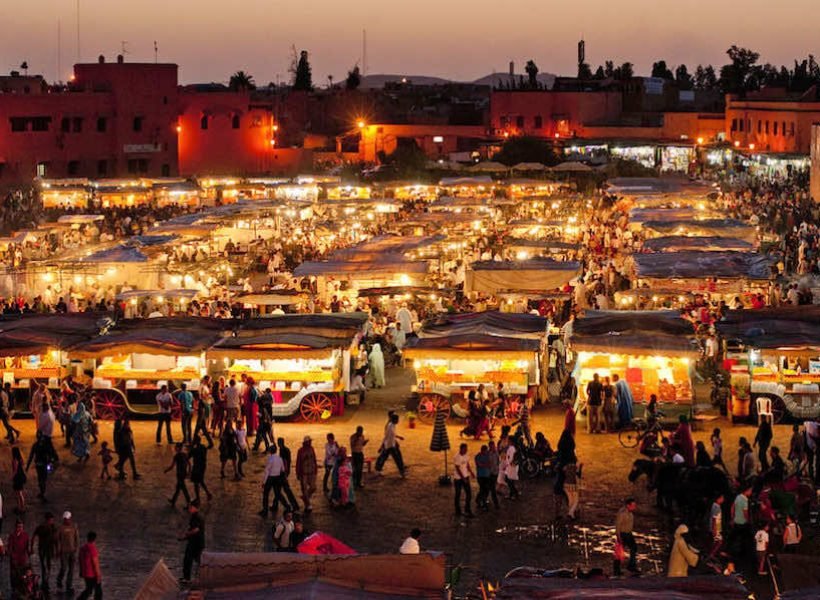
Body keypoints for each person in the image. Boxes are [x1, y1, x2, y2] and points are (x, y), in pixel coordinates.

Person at [260, 446, 290, 518]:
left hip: (270, 477)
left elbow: (267, 471)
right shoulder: (279, 458)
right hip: (277, 478)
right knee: (278, 494)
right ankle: (287, 506)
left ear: (270, 451)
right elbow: (282, 469)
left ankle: (265, 510)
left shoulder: (270, 459)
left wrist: (264, 482)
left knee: (266, 494)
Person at [179, 500, 205, 584]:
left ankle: (188, 578)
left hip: (196, 543)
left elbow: (196, 530)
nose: (189, 509)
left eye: (190, 507)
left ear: (194, 507)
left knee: (190, 559)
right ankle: (188, 578)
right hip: (195, 542)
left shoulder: (197, 517)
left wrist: (186, 535)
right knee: (193, 560)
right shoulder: (195, 516)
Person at [30, 511, 57, 591]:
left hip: (44, 548)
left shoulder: (43, 527)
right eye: (51, 519)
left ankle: (45, 581)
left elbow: (33, 537)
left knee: (44, 566)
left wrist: (32, 547)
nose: (52, 521)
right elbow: (55, 539)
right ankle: (45, 581)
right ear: (48, 519)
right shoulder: (48, 527)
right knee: (46, 566)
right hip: (46, 549)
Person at [375, 412, 405, 477]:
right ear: (394, 420)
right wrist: (382, 446)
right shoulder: (389, 427)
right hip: (390, 446)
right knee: (396, 459)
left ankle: (378, 469)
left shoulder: (392, 425)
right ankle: (402, 472)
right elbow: (386, 437)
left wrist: (398, 437)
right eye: (397, 420)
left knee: (384, 457)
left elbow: (392, 435)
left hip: (390, 445)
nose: (398, 421)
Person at [26, 432, 54, 500]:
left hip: (38, 465)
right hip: (44, 464)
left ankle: (42, 492)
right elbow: (50, 455)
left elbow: (31, 456)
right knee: (43, 479)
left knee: (40, 479)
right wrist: (50, 462)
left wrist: (27, 466)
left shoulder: (35, 445)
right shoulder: (45, 445)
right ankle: (42, 492)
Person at [56, 511, 79, 594]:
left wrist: (76, 548)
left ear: (70, 518)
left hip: (72, 551)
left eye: (67, 519)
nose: (66, 520)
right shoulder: (60, 528)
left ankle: (68, 585)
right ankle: (59, 581)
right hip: (63, 551)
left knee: (71, 570)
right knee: (64, 568)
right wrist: (58, 549)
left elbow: (77, 538)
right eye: (65, 519)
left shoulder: (74, 527)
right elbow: (57, 539)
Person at [615, 498, 639, 575]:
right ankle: (617, 569)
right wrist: (619, 537)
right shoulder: (622, 513)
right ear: (628, 505)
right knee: (619, 552)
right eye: (633, 505)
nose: (634, 507)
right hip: (623, 534)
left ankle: (631, 565)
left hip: (629, 533)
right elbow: (618, 525)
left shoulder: (630, 513)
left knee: (634, 548)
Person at [77, 531, 102, 600]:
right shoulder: (92, 548)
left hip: (85, 573)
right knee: (98, 591)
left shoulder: (82, 548)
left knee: (89, 589)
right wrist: (98, 575)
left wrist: (81, 571)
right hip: (92, 574)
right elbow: (95, 563)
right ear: (94, 539)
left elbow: (80, 560)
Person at [165, 443, 191, 508]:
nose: (175, 448)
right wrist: (189, 472)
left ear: (178, 448)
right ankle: (173, 500)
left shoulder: (176, 456)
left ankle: (189, 502)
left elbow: (172, 466)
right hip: (183, 473)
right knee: (178, 488)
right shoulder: (185, 455)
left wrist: (166, 470)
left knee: (183, 488)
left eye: (176, 447)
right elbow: (189, 464)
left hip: (179, 474)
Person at [277, 437, 300, 513]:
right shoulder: (286, 449)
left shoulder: (283, 450)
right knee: (280, 489)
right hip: (284, 472)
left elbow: (285, 462)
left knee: (283, 490)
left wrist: (284, 472)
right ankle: (276, 504)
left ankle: (291, 505)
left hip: (283, 473)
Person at [296, 436, 318, 513]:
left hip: (311, 472)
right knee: (304, 489)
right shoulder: (300, 451)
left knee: (313, 487)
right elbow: (298, 462)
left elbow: (314, 459)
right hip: (304, 473)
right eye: (309, 441)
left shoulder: (312, 449)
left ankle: (305, 498)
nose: (310, 442)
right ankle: (308, 505)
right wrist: (298, 473)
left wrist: (316, 469)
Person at [8, 519, 30, 593]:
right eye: (18, 527)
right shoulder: (12, 536)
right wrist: (13, 558)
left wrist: (29, 555)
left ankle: (21, 589)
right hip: (14, 560)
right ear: (15, 527)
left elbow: (27, 547)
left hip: (22, 559)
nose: (20, 528)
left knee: (22, 575)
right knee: (14, 576)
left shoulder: (25, 535)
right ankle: (14, 590)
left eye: (21, 527)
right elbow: (10, 548)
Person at [453, 443, 475, 517]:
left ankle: (467, 509)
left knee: (469, 494)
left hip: (465, 476)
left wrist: (471, 472)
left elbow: (467, 464)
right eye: (465, 449)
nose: (466, 450)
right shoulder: (457, 457)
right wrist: (463, 479)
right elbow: (458, 469)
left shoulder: (466, 455)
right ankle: (458, 510)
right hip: (458, 478)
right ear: (461, 449)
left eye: (466, 449)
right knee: (458, 494)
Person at [189, 436, 213, 502]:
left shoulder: (194, 449)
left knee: (196, 483)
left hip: (197, 466)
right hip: (203, 466)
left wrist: (190, 448)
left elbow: (188, 456)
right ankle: (208, 493)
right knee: (201, 481)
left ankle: (198, 498)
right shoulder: (203, 447)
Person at [11, 446, 26, 514]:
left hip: (17, 478)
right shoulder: (20, 459)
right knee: (20, 493)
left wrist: (12, 477)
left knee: (18, 494)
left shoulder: (15, 460)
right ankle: (22, 507)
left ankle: (20, 507)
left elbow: (15, 470)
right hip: (21, 476)